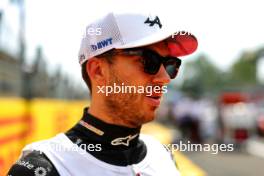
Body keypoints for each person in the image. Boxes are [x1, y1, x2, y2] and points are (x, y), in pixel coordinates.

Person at [8, 12, 198, 176]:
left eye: (170, 64)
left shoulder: (163, 154)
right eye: (149, 60)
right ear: (98, 71)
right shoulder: (42, 168)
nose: (165, 78)